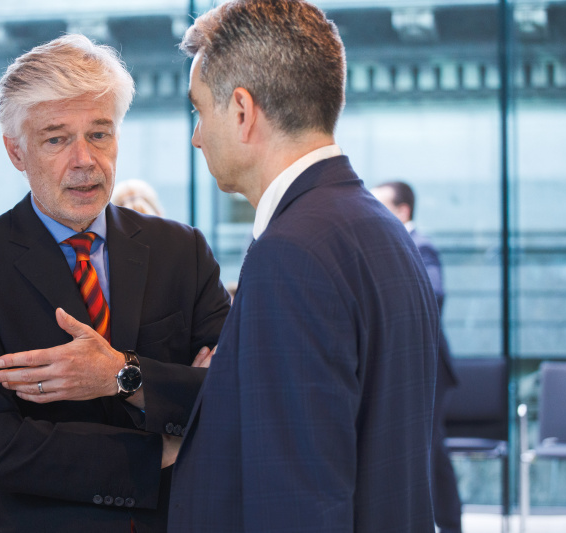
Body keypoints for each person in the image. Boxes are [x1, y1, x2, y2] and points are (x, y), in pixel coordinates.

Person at [0, 34, 230, 533]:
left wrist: (122, 374)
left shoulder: (183, 250)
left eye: (99, 133)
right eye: (56, 138)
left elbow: (237, 398)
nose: (85, 160)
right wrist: (162, 447)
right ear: (16, 151)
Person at [170, 1, 439, 531]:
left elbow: (297, 499)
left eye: (200, 110)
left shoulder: (291, 254)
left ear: (243, 112)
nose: (197, 136)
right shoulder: (379, 229)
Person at [371, 180, 462, 533]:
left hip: (427, 368)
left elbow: (432, 296)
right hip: (402, 366)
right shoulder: (387, 246)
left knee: (428, 451)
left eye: (381, 205)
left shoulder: (419, 246)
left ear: (403, 210)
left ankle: (449, 526)